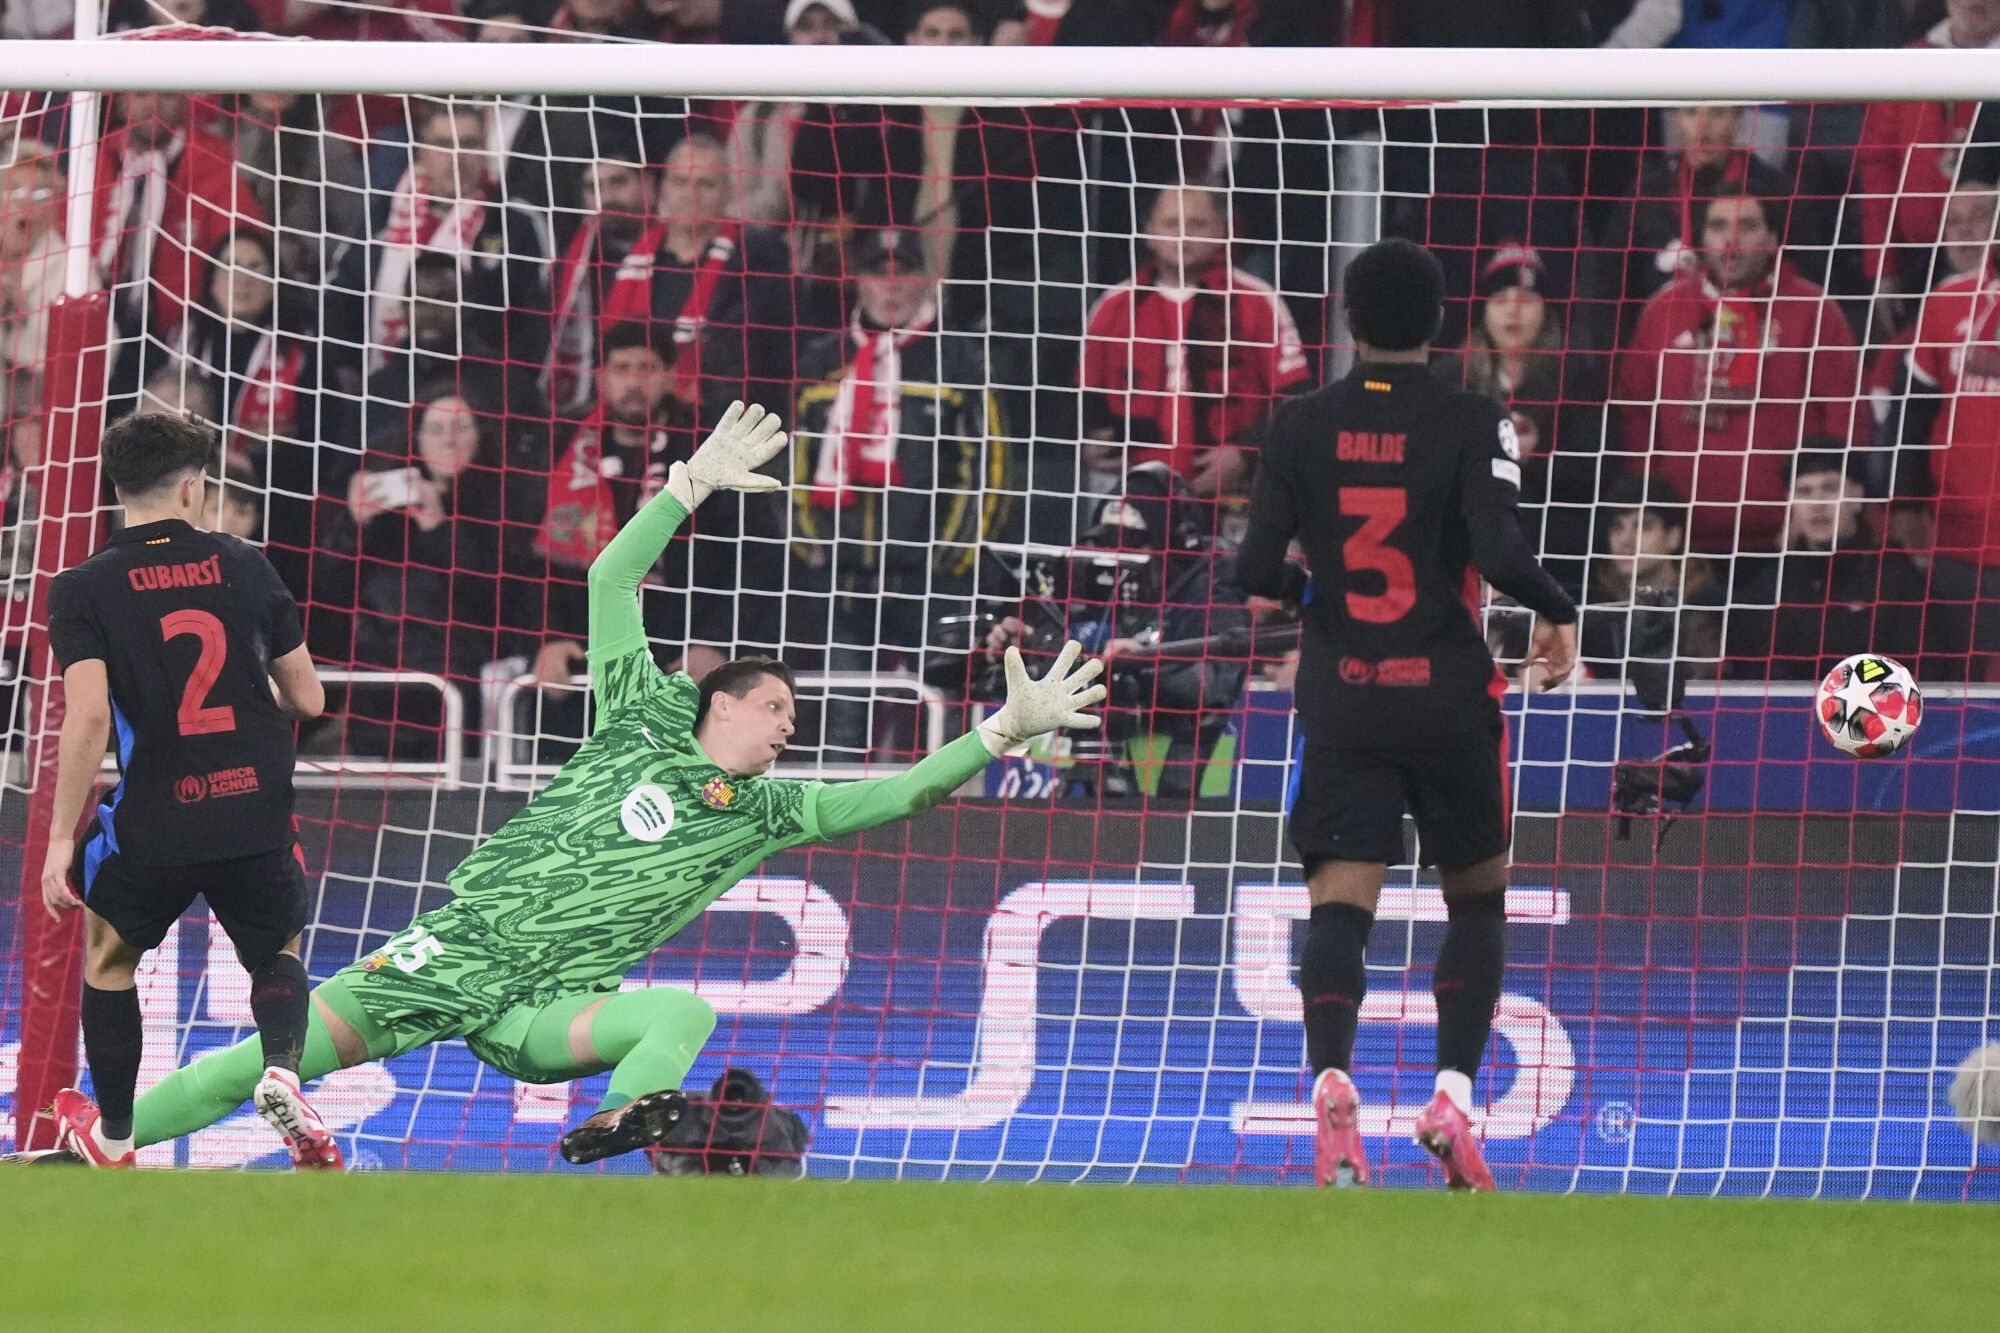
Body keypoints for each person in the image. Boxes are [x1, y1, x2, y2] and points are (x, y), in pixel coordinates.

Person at [97, 402, 1106, 1169]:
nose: (792, 730)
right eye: (779, 711)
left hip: (548, 1009)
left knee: (680, 1017)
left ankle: (626, 1119)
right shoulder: (643, 709)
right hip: (460, 949)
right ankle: (96, 1144)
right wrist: (687, 487)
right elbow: (609, 582)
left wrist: (999, 729)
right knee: (256, 1066)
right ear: (724, 702)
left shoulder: (768, 811)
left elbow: (900, 797)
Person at [1235, 238, 1578, 1192]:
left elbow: (1254, 572)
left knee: (1340, 909)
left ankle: (1333, 1082)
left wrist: (1318, 583)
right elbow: (1500, 548)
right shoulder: (1476, 417)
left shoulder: (1299, 424)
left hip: (1345, 698)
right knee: (1476, 899)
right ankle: (1452, 1095)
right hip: (1448, 698)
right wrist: (1557, 604)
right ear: (1438, 322)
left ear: (1348, 317)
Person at [38, 413, 329, 1168]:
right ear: (196, 487)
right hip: (254, 808)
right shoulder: (246, 562)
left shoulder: (81, 588)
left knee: (109, 960)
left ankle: (115, 1139)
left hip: (157, 820)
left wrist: (57, 841)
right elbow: (309, 699)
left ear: (115, 488)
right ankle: (283, 1071)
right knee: (276, 951)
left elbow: (92, 714)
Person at [1612, 183, 1862, 554]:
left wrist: (1815, 512)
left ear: (1773, 237)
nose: (1731, 239)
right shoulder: (1662, 311)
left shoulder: (1814, 310)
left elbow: (1846, 417)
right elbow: (1636, 418)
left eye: (1747, 225)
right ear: (1699, 237)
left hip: (1787, 540)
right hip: (1682, 543)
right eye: (1717, 226)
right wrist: (1652, 517)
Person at [1080, 184, 1309, 499]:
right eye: (1171, 224)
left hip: (1234, 498)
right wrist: (1088, 444)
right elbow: (1085, 398)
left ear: (1221, 231)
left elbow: (1295, 399)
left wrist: (1245, 454)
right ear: (1149, 233)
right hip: (1131, 496)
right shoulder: (1113, 306)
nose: (1183, 235)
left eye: (1197, 224)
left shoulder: (1257, 302)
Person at [1724, 448, 1933, 681]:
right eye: (1804, 491)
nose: (1817, 503)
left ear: (1857, 497)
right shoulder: (1768, 588)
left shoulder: (1898, 580)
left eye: (1830, 488)